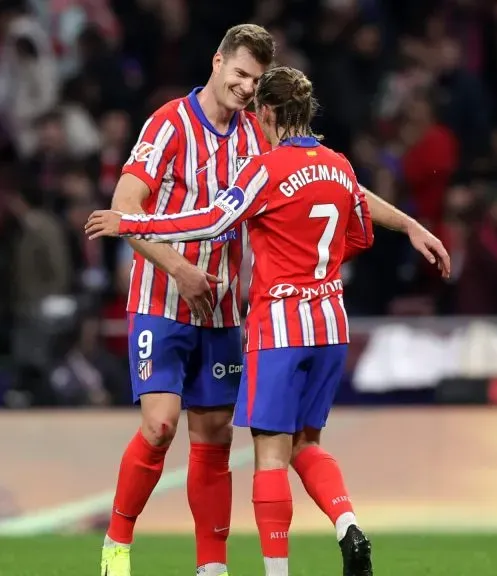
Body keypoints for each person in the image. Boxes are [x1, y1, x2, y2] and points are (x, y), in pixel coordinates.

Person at [99, 23, 447, 576]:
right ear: (217, 63)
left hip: (222, 308)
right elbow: (126, 204)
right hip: (163, 297)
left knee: (213, 437)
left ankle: (211, 568)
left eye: (255, 82)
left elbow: (331, 184)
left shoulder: (255, 133)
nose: (244, 89)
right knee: (161, 425)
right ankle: (117, 545)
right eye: (239, 75)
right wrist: (177, 265)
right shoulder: (167, 125)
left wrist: (407, 224)